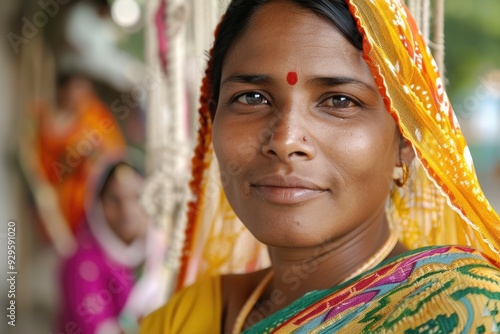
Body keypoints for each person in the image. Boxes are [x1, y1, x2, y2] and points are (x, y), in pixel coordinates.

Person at [140, 0, 500, 333]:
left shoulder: (465, 312)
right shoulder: (184, 318)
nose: (285, 141)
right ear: (213, 117)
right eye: (252, 98)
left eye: (339, 101)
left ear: (405, 143)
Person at [56, 160, 152, 334]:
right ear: (96, 204)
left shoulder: (149, 253)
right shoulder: (82, 263)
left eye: (137, 197)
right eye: (114, 200)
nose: (127, 210)